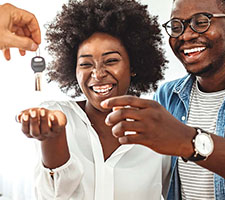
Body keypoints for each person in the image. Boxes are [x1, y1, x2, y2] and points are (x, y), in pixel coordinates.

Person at [16, 0, 171, 199]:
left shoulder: (157, 131)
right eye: (86, 64)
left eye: (111, 61)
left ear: (134, 66)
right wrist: (53, 136)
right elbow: (53, 194)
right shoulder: (55, 116)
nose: (97, 74)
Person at [101, 0, 225, 199]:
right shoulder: (168, 96)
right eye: (176, 27)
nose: (185, 35)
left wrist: (189, 141)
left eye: (201, 22)